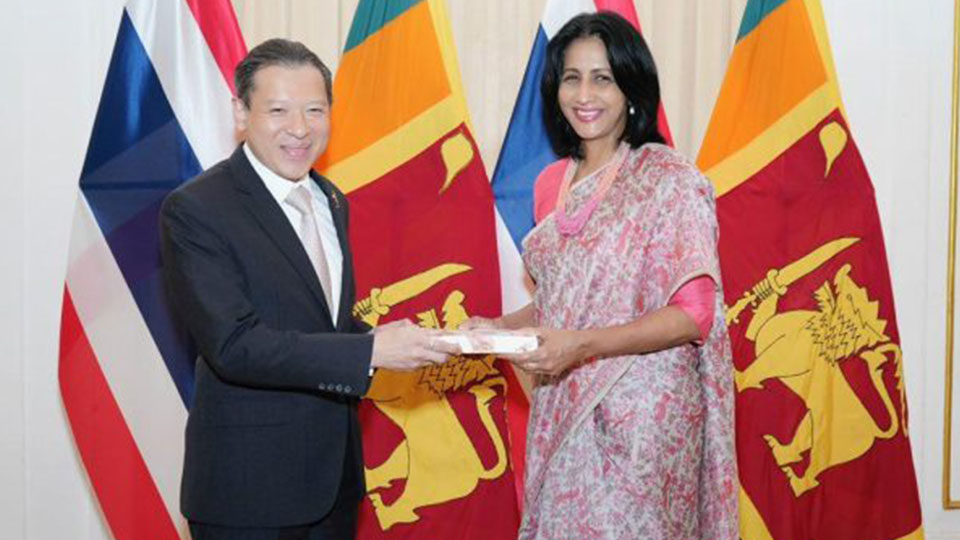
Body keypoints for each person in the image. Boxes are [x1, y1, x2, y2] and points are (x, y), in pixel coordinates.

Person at [160, 39, 456, 540]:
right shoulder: (197, 209)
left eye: (315, 110)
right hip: (249, 492)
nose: (300, 128)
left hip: (335, 483)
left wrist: (396, 339)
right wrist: (371, 351)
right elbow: (234, 345)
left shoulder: (330, 199)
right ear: (241, 112)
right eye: (278, 110)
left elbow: (320, 322)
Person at [462, 12, 737, 540]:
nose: (584, 95)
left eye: (602, 78)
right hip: (564, 413)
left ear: (630, 88)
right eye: (572, 78)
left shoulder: (667, 179)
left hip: (645, 431)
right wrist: (496, 330)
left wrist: (582, 346)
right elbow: (563, 303)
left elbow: (694, 314)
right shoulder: (550, 183)